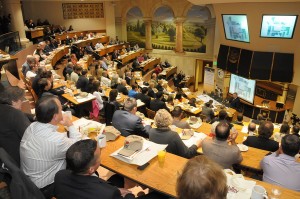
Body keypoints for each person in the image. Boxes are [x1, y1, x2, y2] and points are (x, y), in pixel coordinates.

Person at [20, 96, 81, 198]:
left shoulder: (32, 127)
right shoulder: (56, 141)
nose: (62, 111)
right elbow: (78, 148)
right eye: (61, 110)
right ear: (55, 116)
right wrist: (70, 125)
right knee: (82, 165)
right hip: (46, 187)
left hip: (30, 180)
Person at [54, 139, 135, 199]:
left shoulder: (60, 175)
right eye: (99, 156)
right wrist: (129, 195)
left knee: (116, 178)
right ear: (91, 169)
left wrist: (115, 190)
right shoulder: (109, 194)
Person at [0, 86, 31, 167]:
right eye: (21, 100)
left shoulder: (3, 108)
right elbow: (30, 137)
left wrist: (33, 117)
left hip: (5, 154)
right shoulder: (16, 115)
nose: (22, 102)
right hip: (18, 158)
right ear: (14, 102)